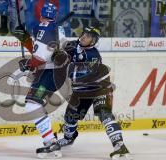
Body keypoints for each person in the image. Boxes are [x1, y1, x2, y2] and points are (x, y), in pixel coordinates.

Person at [55, 26, 131, 159]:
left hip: (99, 88)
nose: (84, 37)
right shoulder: (74, 44)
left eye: (88, 36)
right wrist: (57, 34)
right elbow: (62, 43)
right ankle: (68, 138)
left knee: (104, 114)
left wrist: (62, 61)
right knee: (70, 116)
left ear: (93, 41)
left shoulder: (93, 56)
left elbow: (75, 74)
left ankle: (119, 145)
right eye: (84, 33)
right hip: (81, 91)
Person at [13, 2, 65, 158]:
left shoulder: (43, 27)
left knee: (32, 104)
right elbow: (46, 51)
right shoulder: (58, 28)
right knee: (34, 103)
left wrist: (28, 64)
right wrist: (28, 40)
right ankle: (51, 141)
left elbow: (40, 59)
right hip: (54, 73)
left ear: (40, 14)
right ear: (55, 16)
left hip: (49, 73)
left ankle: (50, 142)